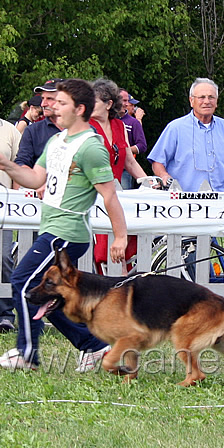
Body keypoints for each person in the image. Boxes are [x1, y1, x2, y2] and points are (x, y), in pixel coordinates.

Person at [0, 78, 128, 372]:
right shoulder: (57, 141)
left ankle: (27, 354)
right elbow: (35, 179)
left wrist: (120, 236)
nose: (53, 107)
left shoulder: (91, 147)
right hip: (52, 228)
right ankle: (94, 347)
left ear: (79, 108)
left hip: (68, 233)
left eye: (61, 103)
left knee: (23, 281)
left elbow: (109, 195)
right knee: (46, 291)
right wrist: (6, 165)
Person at [148, 78, 224, 191]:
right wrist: (164, 176)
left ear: (216, 101)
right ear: (191, 101)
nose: (207, 101)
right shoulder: (175, 128)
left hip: (220, 200)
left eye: (211, 97)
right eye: (201, 97)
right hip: (185, 200)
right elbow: (157, 162)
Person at [90, 79, 147, 272]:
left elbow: (129, 161)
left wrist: (147, 181)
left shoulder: (119, 126)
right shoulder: (84, 127)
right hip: (92, 193)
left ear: (108, 104)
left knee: (123, 246)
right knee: (101, 251)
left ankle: (121, 285)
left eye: (94, 101)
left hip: (115, 193)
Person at [0, 118, 22, 331]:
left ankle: (5, 314)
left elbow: (18, 166)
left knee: (4, 257)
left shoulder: (10, 130)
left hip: (5, 206)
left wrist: (16, 199)